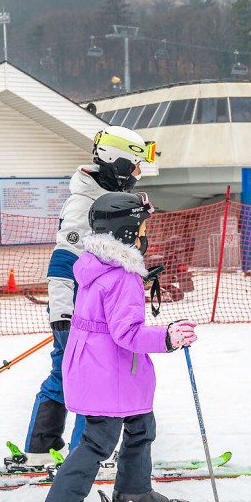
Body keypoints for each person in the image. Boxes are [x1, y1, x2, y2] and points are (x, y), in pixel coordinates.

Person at [40, 192, 198, 502]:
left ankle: (133, 492)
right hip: (106, 370)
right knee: (99, 440)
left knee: (141, 426)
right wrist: (168, 336)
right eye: (141, 227)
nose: (145, 234)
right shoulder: (122, 277)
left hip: (107, 368)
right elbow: (127, 333)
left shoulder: (96, 266)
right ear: (127, 232)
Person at [24, 125, 157, 465]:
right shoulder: (84, 204)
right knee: (92, 380)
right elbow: (63, 261)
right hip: (81, 313)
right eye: (135, 166)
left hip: (97, 308)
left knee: (67, 374)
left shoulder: (103, 194)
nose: (138, 175)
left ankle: (42, 447)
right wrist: (62, 314)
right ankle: (85, 454)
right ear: (119, 163)